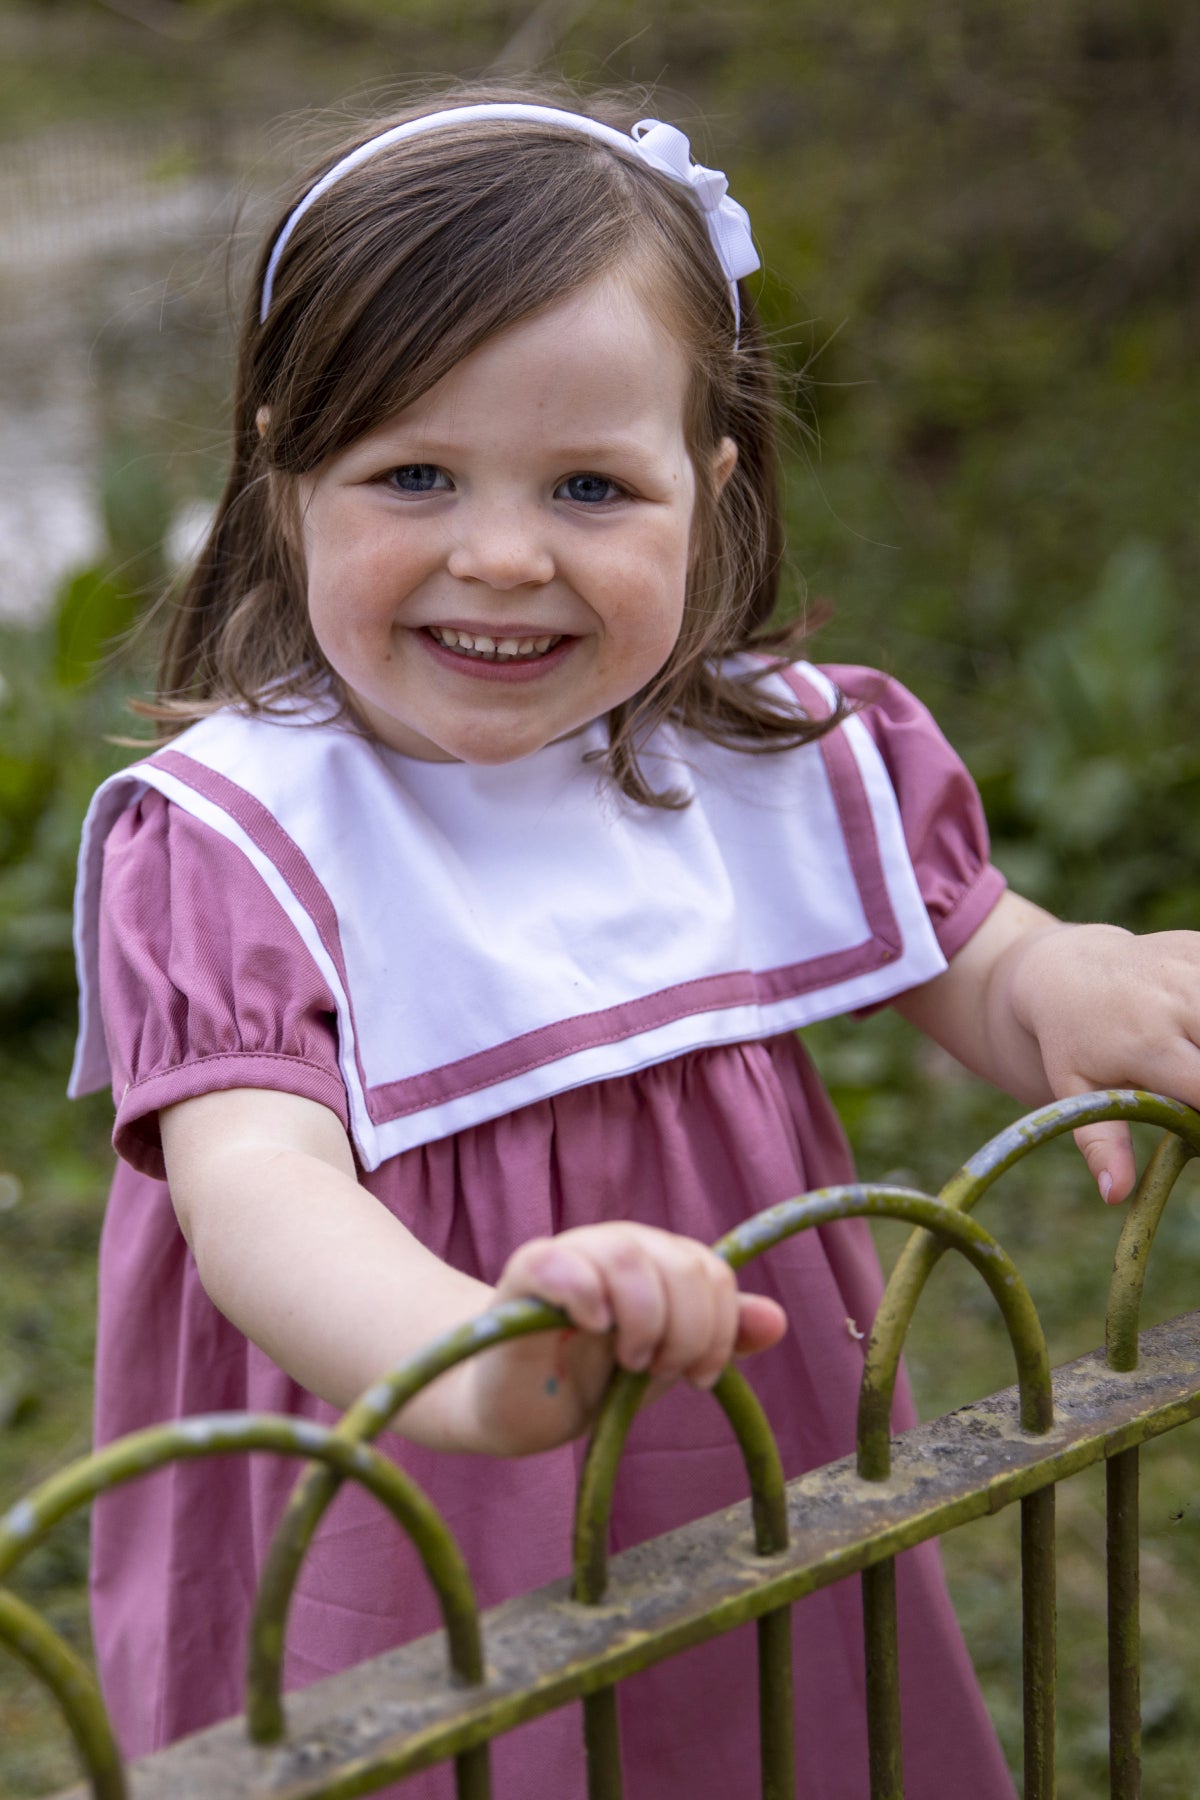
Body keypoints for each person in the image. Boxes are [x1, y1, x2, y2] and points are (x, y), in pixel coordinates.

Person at [69, 80, 1200, 1799]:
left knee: (779, 1729)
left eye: (592, 485)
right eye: (415, 474)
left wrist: (1068, 979)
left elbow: (968, 953)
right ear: (285, 472)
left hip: (748, 1434)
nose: (503, 554)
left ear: (712, 486)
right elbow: (256, 1196)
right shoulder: (243, 838)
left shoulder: (754, 753)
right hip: (403, 1467)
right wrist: (471, 1354)